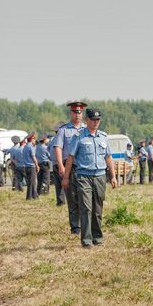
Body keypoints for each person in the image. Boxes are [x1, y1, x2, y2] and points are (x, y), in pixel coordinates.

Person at [62, 108, 117, 248]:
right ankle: (86, 240)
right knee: (86, 208)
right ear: (87, 120)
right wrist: (66, 177)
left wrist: (113, 176)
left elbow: (108, 157)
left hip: (100, 176)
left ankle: (97, 237)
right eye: (93, 119)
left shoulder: (103, 137)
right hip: (83, 176)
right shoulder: (79, 137)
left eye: (98, 120)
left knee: (98, 209)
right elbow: (70, 158)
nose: (95, 122)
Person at [54, 101, 87, 234]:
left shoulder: (86, 129)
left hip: (84, 167)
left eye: (80, 112)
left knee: (85, 197)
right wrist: (61, 166)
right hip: (70, 167)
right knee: (72, 197)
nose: (77, 115)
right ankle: (75, 227)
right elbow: (58, 148)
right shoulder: (64, 130)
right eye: (75, 112)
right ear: (71, 113)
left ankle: (86, 224)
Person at [49, 121, 66, 206]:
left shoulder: (52, 140)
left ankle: (60, 201)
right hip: (61, 163)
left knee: (58, 184)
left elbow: (48, 150)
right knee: (65, 182)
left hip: (54, 163)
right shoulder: (62, 139)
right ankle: (65, 200)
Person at [23, 132, 40, 200]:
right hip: (31, 166)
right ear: (32, 139)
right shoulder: (31, 146)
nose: (35, 140)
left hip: (26, 166)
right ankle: (29, 197)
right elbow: (33, 157)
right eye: (34, 139)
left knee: (31, 182)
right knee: (32, 182)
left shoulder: (25, 146)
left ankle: (34, 196)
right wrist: (37, 165)